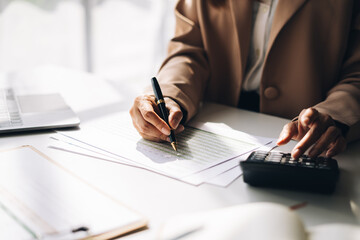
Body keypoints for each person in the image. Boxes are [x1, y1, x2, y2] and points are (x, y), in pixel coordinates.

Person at [130, 0, 360, 159]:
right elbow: (189, 48)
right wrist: (171, 96)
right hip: (218, 128)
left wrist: (337, 115)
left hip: (306, 140)